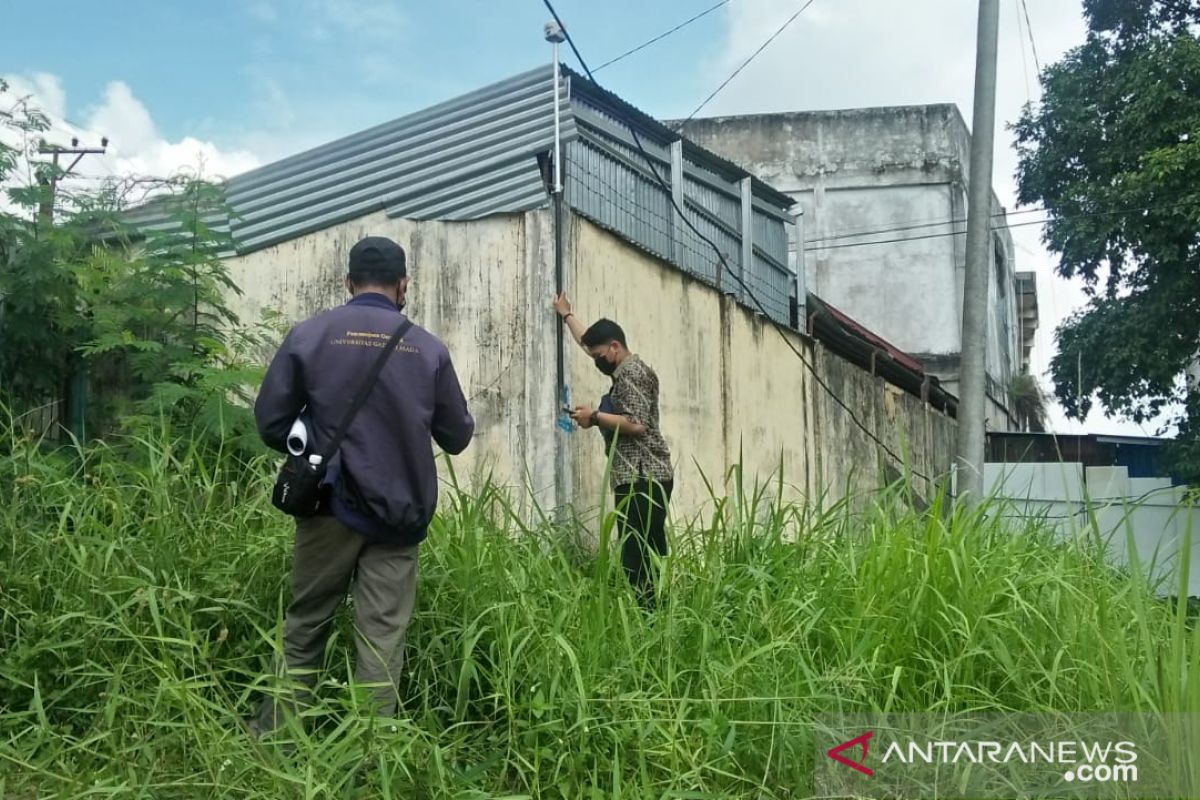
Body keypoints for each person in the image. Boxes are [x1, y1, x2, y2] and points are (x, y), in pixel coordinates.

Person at [250, 236, 474, 733]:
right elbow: (457, 436)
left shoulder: (311, 335)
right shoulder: (428, 348)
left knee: (306, 624)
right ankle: (373, 760)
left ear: (349, 282)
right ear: (403, 285)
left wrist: (312, 433)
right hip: (398, 514)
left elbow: (270, 422)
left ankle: (273, 742)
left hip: (326, 505)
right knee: (382, 637)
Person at [554, 292, 674, 608]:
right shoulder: (619, 366)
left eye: (599, 355)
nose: (596, 360)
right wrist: (567, 316)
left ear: (615, 348)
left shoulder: (633, 373)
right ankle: (659, 619)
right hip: (638, 478)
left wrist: (594, 417)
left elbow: (636, 424)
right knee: (646, 552)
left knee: (637, 556)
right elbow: (589, 343)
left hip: (643, 478)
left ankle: (652, 622)